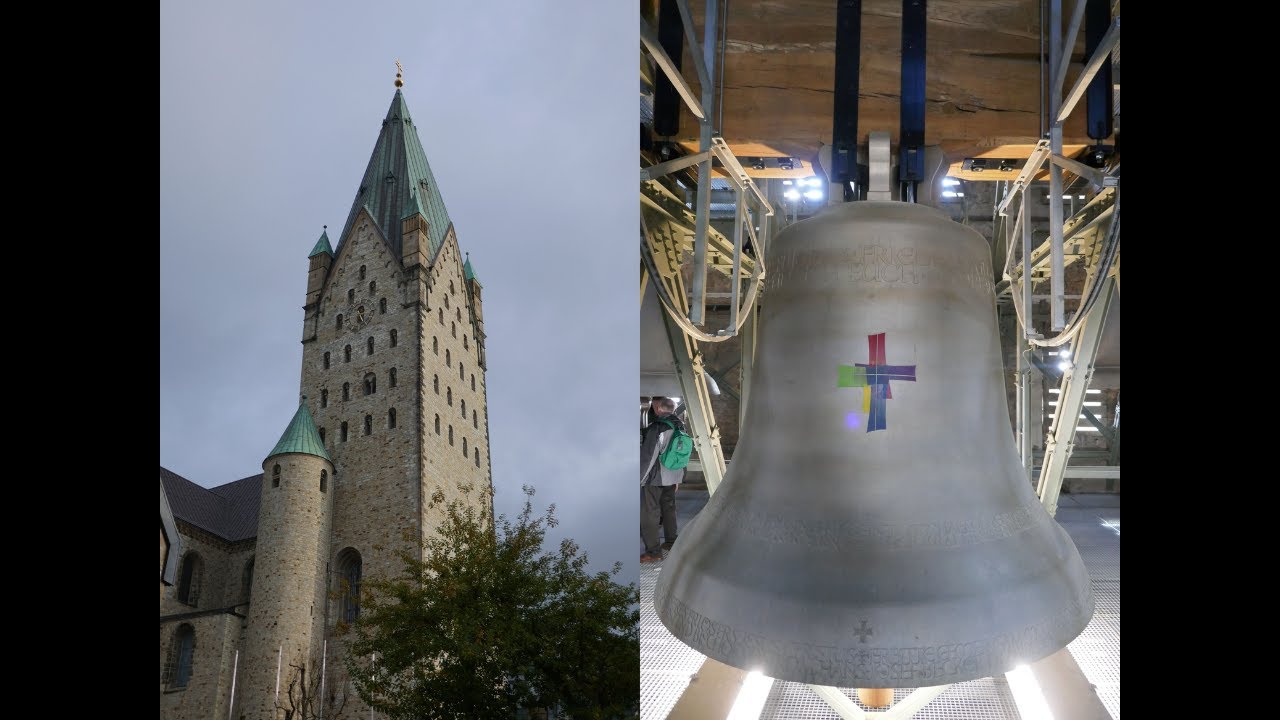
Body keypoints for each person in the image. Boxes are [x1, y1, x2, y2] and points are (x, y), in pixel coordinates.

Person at [640, 396, 685, 563]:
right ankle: (671, 541)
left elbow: (649, 456)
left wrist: (640, 478)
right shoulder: (681, 426)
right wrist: (679, 478)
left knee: (649, 513)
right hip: (673, 476)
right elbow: (681, 454)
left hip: (655, 478)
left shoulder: (657, 427)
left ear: (658, 408)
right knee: (669, 508)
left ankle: (653, 552)